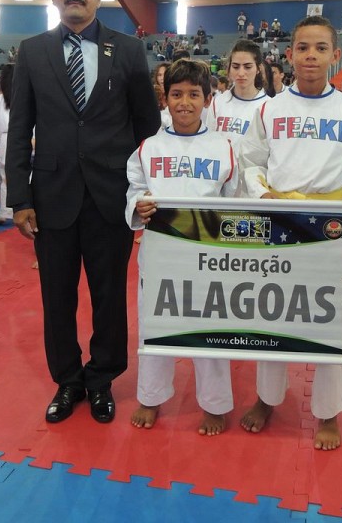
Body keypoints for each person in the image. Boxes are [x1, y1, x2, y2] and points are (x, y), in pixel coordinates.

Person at [5, 0, 160, 425]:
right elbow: (20, 128)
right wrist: (19, 197)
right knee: (57, 297)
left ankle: (102, 380)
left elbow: (147, 128)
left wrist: (145, 192)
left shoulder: (127, 50)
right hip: (51, 196)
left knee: (109, 294)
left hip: (111, 195)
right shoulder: (32, 51)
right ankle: (68, 380)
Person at [239, 15, 342, 450]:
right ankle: (267, 397)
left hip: (330, 223)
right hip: (280, 218)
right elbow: (251, 163)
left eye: (321, 48)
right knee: (271, 312)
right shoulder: (269, 109)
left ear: (335, 56)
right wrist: (263, 196)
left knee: (328, 316)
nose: (311, 56)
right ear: (289, 54)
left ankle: (328, 410)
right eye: (302, 48)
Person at [125, 59, 238, 435]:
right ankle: (151, 396)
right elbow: (134, 189)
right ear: (165, 97)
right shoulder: (149, 148)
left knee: (211, 329)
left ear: (208, 99)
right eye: (177, 94)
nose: (185, 102)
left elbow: (235, 202)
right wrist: (138, 205)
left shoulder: (224, 148)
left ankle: (215, 403)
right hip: (161, 255)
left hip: (209, 256)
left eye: (193, 94)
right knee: (155, 326)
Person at [205, 39, 270, 156]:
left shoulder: (269, 106)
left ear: (258, 69)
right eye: (235, 67)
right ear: (229, 68)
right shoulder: (218, 103)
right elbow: (208, 142)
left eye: (247, 67)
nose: (241, 73)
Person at [0, 64, 14, 223]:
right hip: (10, 139)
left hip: (7, 140)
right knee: (8, 177)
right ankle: (6, 211)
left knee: (6, 178)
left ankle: (5, 212)